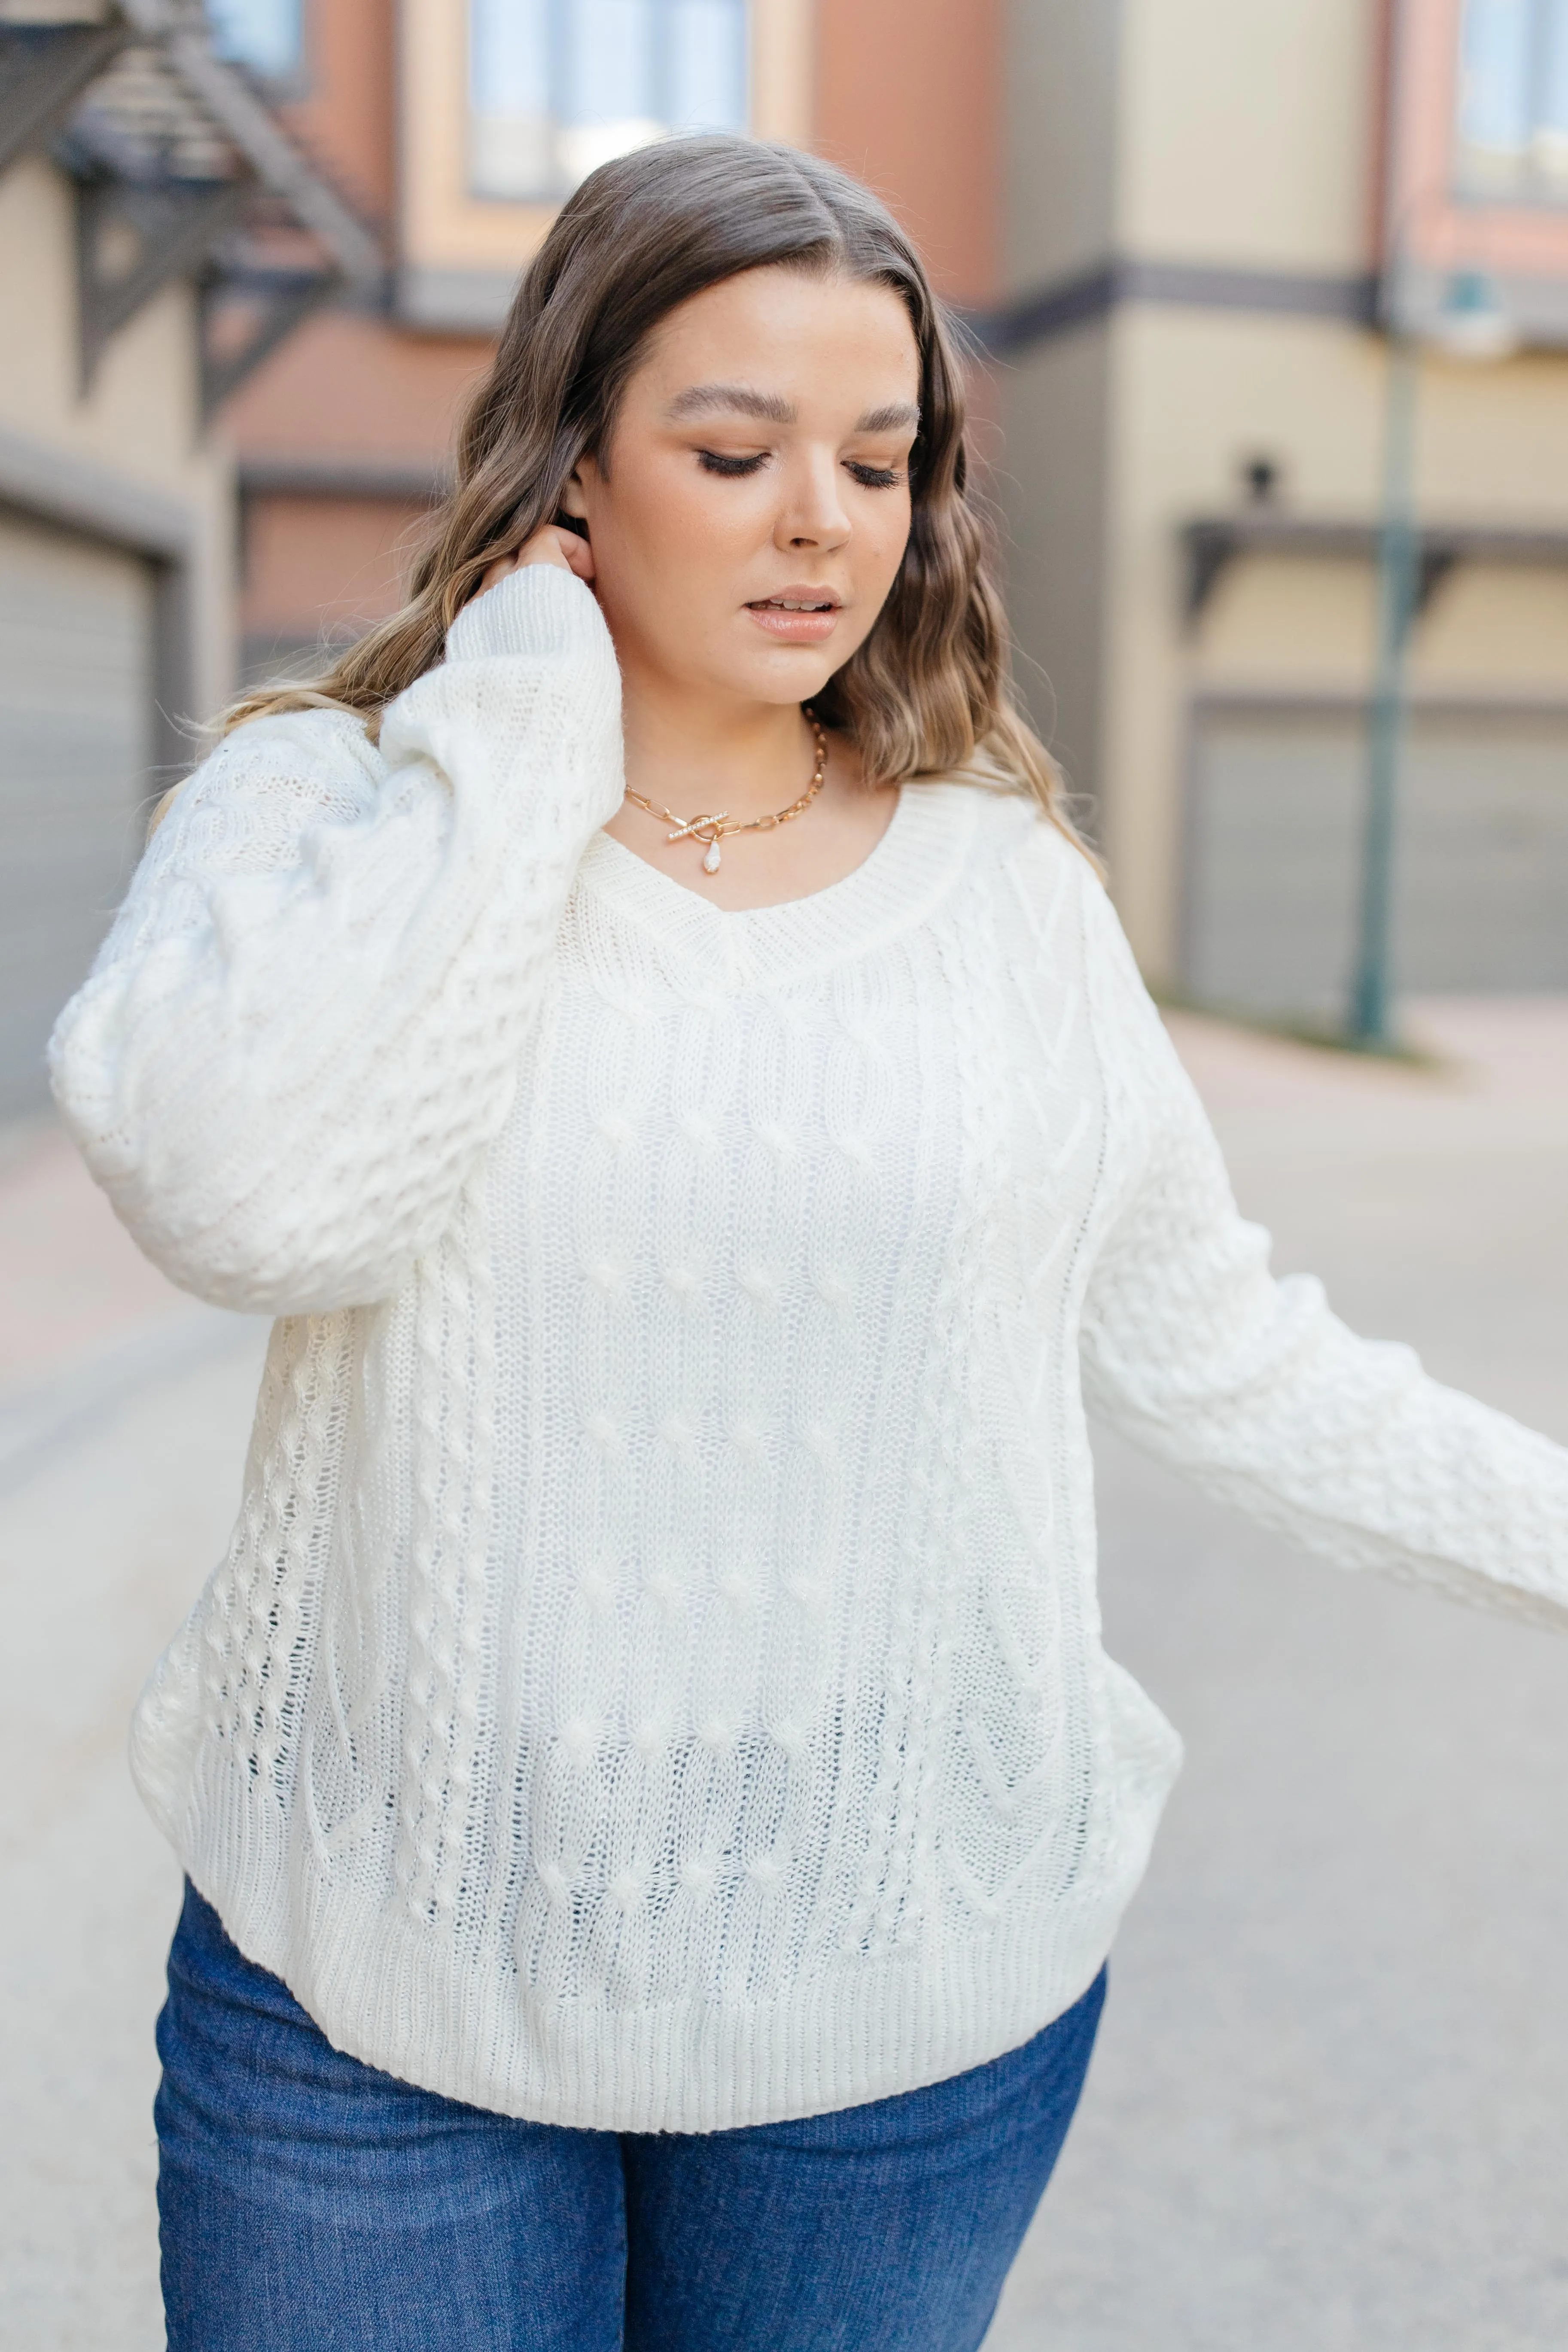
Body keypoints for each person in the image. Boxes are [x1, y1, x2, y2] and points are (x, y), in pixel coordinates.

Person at [49, 134, 1568, 2352]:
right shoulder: (331, 806)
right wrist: (529, 706)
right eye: (733, 447)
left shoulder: (1003, 895)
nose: (819, 521)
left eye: (879, 460)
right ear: (569, 459)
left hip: (901, 2001)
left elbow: (1223, 1348)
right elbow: (258, 1200)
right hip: (374, 1994)